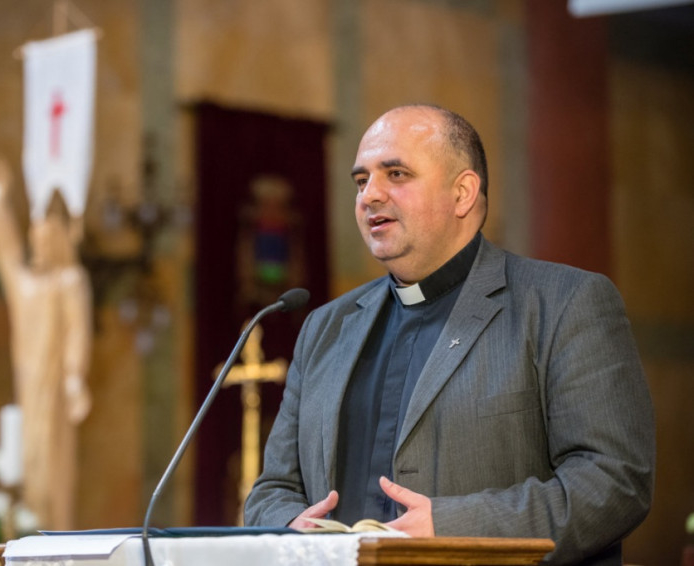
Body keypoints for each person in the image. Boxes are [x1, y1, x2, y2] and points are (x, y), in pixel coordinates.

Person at [244, 105, 654, 565]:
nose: (369, 195)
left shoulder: (562, 303)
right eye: (361, 181)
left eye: (396, 174)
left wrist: (453, 528)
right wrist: (292, 529)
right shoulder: (326, 326)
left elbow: (614, 481)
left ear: (462, 193)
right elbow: (272, 489)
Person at [0, 156, 93, 530]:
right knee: (28, 467)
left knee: (54, 470)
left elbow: (78, 331)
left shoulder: (70, 281)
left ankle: (53, 536)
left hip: (56, 392)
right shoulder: (25, 286)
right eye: (36, 240)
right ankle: (29, 533)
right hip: (28, 389)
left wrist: (74, 378)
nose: (39, 247)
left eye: (47, 240)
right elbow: (5, 251)